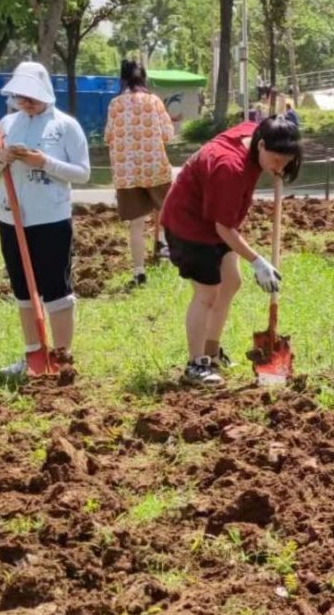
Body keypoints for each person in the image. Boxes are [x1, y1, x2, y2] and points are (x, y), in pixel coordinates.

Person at [159, 115, 302, 385]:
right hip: (188, 224)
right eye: (275, 160)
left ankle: (212, 352)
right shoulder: (229, 168)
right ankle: (195, 364)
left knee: (231, 282)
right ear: (260, 146)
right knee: (207, 293)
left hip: (212, 220)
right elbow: (224, 228)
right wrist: (257, 261)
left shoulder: (255, 133)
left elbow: (223, 225)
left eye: (285, 162)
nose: (279, 167)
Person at [0, 62, 92, 379]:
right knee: (23, 289)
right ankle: (33, 357)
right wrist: (3, 157)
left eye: (32, 98)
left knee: (56, 287)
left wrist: (44, 162)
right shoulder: (6, 123)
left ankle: (61, 355)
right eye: (21, 98)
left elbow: (82, 173)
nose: (26, 104)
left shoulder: (65, 126)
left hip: (51, 218)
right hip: (11, 217)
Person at [105, 59, 178, 286]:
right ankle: (164, 244)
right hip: (155, 166)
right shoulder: (153, 101)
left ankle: (139, 273)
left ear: (123, 79)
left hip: (126, 173)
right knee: (166, 211)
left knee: (136, 225)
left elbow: (108, 136)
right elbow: (168, 134)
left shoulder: (115, 104)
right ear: (143, 78)